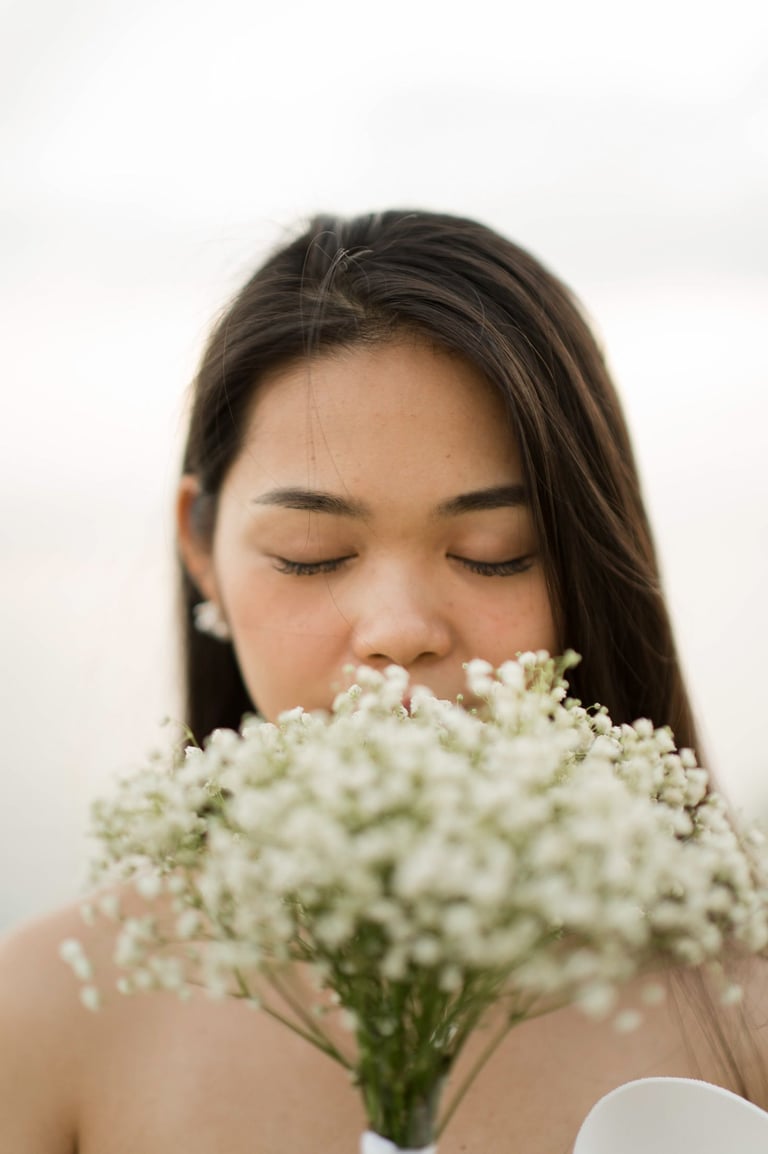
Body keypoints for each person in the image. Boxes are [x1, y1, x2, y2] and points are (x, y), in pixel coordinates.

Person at [0, 209, 765, 1153]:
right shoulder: (50, 1011)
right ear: (201, 546)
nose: (400, 632)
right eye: (312, 554)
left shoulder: (742, 999)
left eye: (495, 553)